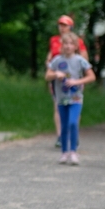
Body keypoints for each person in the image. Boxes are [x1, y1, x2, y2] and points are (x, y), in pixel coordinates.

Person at [45, 33, 95, 164]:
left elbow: (91, 76)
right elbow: (47, 76)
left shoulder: (80, 60)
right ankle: (64, 152)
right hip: (61, 98)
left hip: (76, 98)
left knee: (73, 122)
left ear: (75, 46)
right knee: (64, 124)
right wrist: (56, 74)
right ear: (62, 45)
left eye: (71, 44)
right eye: (65, 43)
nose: (67, 46)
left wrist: (76, 82)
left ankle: (73, 152)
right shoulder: (57, 60)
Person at [45, 15, 89, 147]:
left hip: (74, 79)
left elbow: (84, 60)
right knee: (57, 105)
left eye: (65, 25)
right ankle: (60, 136)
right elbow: (50, 57)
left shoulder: (77, 41)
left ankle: (73, 133)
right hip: (58, 78)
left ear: (71, 27)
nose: (62, 28)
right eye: (60, 25)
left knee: (75, 105)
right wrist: (50, 70)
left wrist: (82, 80)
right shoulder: (54, 40)